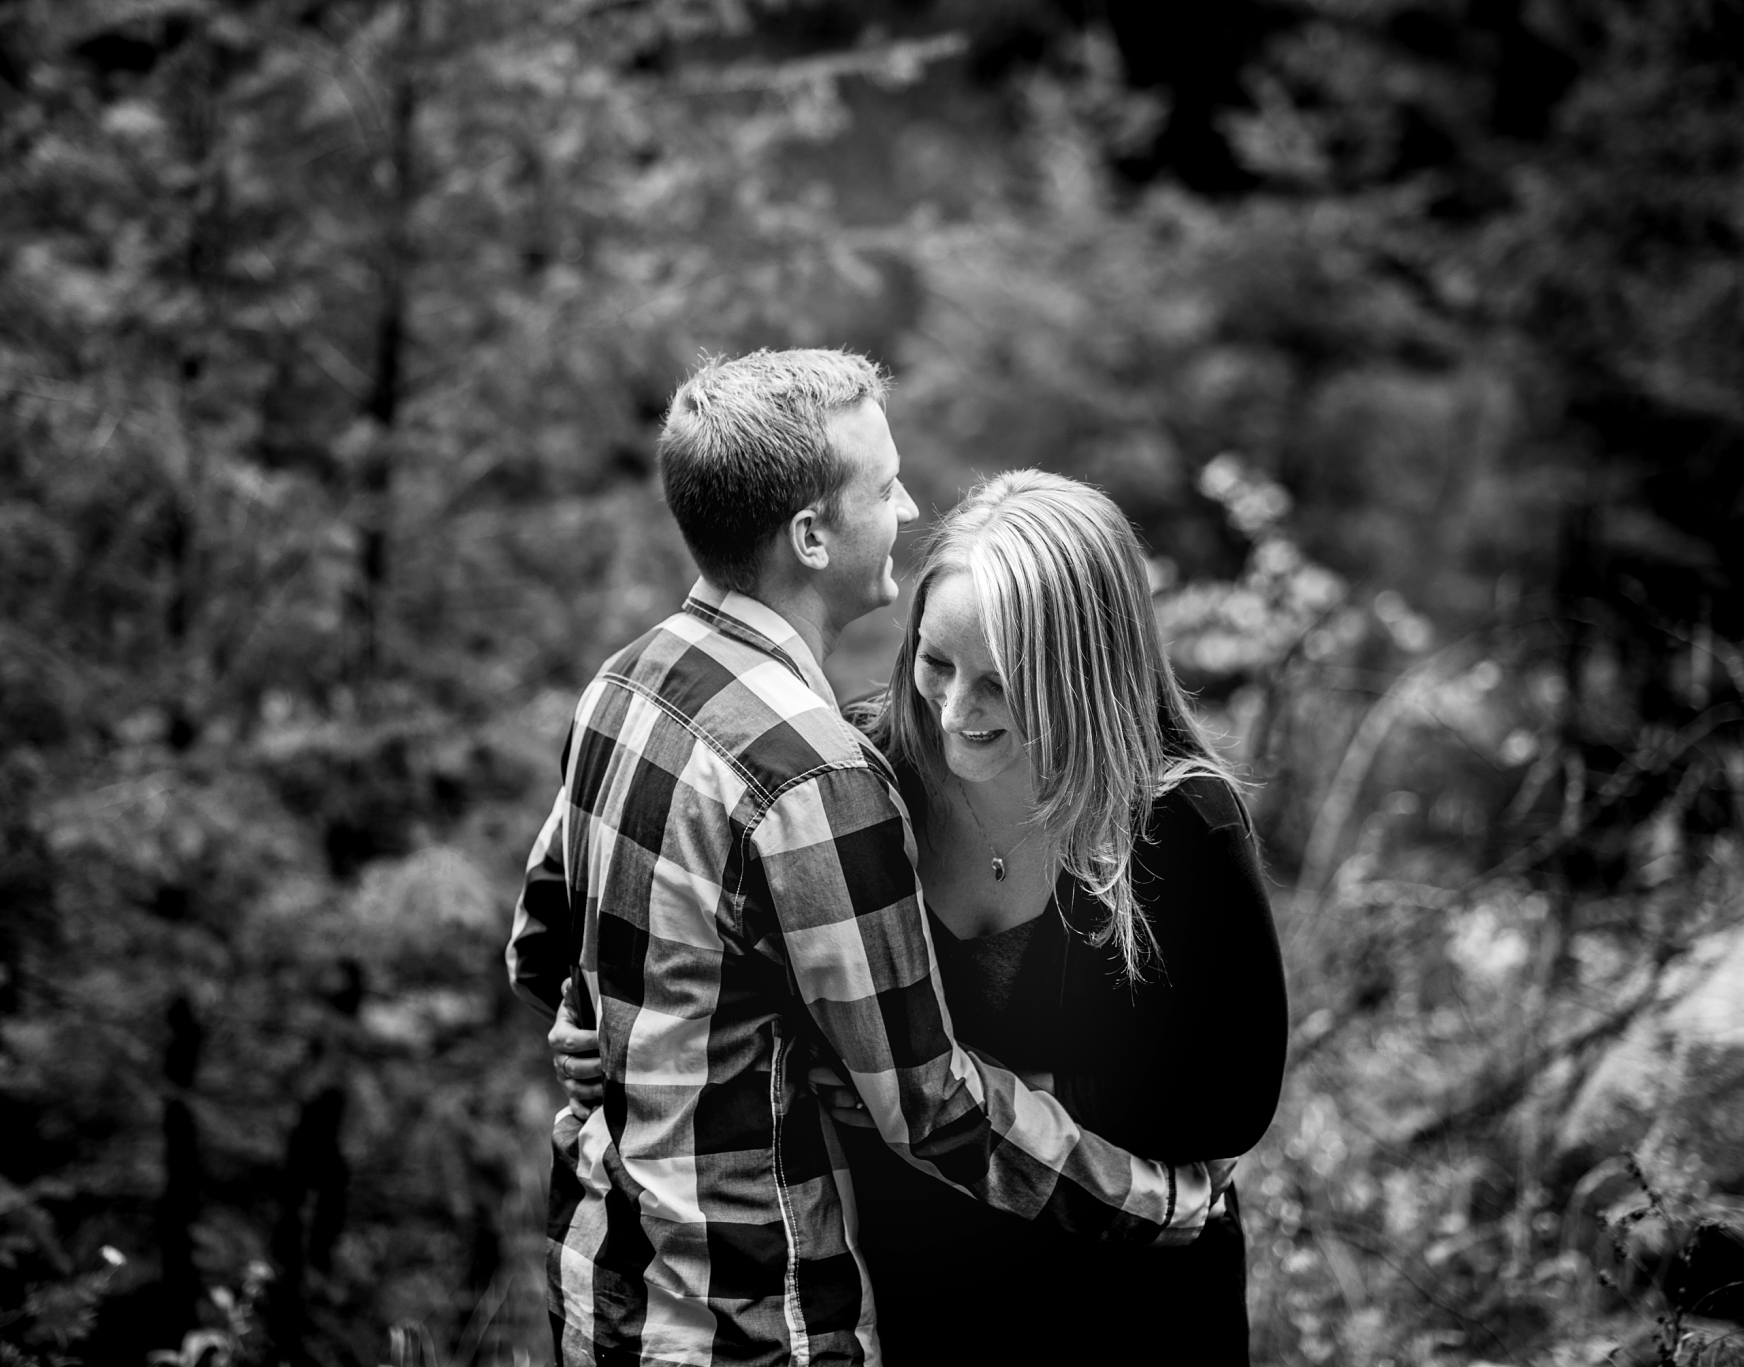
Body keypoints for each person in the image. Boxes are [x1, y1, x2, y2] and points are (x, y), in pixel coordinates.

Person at [507, 350, 1233, 1367]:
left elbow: (544, 946)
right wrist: (1160, 1203)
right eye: (883, 485)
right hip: (751, 1317)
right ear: (810, 535)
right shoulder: (817, 777)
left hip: (601, 1282)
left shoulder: (622, 685)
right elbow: (930, 1110)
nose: (907, 504)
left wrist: (598, 1035)